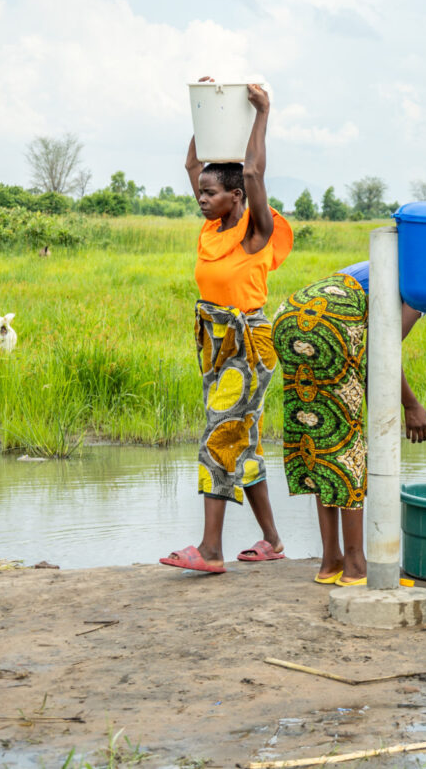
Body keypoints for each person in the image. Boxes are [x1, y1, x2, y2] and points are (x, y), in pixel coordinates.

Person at [160, 79, 292, 575]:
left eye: (210, 194)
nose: (201, 197)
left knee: (219, 437)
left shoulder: (255, 233)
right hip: (215, 347)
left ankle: (211, 551)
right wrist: (206, 111)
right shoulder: (210, 229)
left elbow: (254, 168)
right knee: (245, 441)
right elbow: (193, 164)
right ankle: (273, 541)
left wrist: (262, 113)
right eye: (200, 194)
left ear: (236, 197)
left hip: (247, 347)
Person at [273, 261, 426, 586]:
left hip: (292, 315)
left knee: (322, 441)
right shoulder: (420, 284)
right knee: (347, 448)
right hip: (332, 323)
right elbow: (382, 351)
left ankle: (331, 562)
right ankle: (357, 566)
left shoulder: (389, 261)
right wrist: (411, 405)